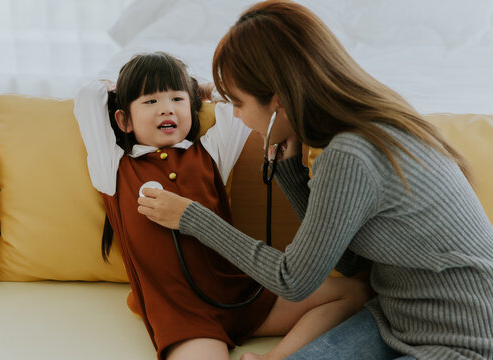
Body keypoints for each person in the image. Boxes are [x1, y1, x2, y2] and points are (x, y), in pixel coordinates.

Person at [136, 2, 493, 360]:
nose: (237, 116)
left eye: (238, 103)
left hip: (457, 342)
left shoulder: (350, 154)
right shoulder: (370, 116)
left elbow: (293, 281)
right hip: (398, 316)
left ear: (279, 103)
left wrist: (192, 218)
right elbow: (350, 261)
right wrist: (291, 171)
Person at [74, 52, 368, 360]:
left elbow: (235, 107)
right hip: (184, 316)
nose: (166, 109)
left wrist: (202, 89)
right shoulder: (114, 169)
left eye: (177, 99)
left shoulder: (211, 153)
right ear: (124, 120)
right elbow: (87, 98)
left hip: (241, 298)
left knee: (355, 292)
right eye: (150, 102)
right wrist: (116, 86)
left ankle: (275, 358)